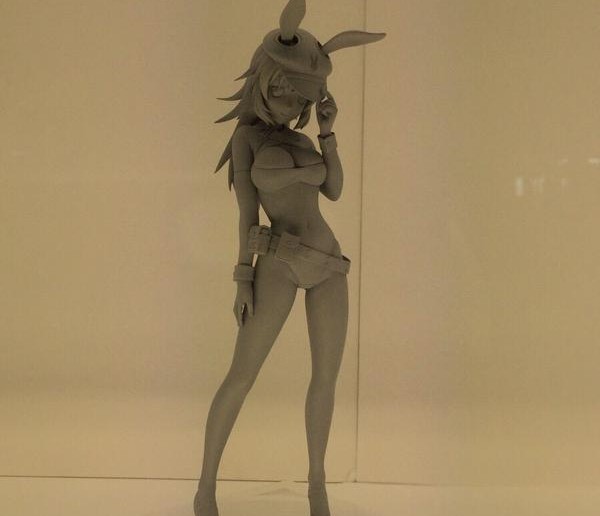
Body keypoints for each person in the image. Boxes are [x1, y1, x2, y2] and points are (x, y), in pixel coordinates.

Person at [194, 2, 385, 515]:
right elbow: (246, 214)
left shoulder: (303, 138)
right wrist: (241, 278)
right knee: (241, 375)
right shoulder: (246, 139)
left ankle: (317, 485)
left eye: (300, 96)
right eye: (283, 90)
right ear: (265, 80)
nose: (290, 103)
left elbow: (335, 190)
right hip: (277, 260)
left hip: (328, 263)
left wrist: (327, 132)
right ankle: (205, 486)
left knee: (325, 377)